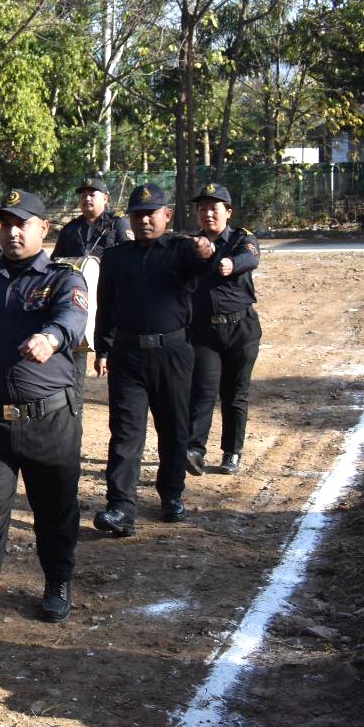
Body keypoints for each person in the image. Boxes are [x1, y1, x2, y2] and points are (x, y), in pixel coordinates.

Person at [0, 190, 89, 641]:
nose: (12, 232)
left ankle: (58, 581)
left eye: (21, 224)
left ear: (43, 228)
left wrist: (51, 338)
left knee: (55, 510)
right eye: (6, 223)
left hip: (49, 421)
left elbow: (72, 318)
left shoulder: (63, 279)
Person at [92, 184, 214, 536]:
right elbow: (105, 306)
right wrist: (102, 349)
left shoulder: (181, 250)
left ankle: (171, 495)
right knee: (125, 432)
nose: (144, 220)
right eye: (137, 214)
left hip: (172, 353)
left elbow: (202, 260)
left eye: (151, 214)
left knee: (173, 429)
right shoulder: (116, 257)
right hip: (127, 356)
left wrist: (206, 251)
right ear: (129, 219)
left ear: (167, 215)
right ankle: (120, 507)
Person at [185, 184, 261, 476]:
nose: (207, 214)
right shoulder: (191, 245)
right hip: (204, 332)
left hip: (241, 330)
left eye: (213, 208)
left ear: (228, 212)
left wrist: (231, 262)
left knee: (235, 394)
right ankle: (194, 450)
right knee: (202, 391)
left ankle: (232, 451)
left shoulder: (242, 239)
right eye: (202, 208)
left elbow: (251, 257)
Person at [51, 177, 132, 258]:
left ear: (105, 199)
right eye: (83, 195)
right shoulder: (70, 228)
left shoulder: (117, 223)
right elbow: (56, 259)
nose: (87, 199)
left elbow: (130, 256)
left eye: (92, 195)